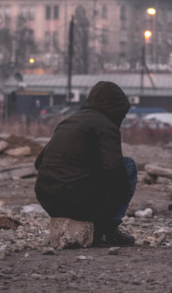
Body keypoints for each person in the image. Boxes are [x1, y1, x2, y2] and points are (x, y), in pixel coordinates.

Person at [34, 81, 137, 246]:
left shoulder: (70, 120)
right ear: (116, 110)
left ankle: (96, 223)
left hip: (48, 199)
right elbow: (114, 168)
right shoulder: (106, 125)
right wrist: (119, 197)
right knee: (129, 166)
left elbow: (39, 163)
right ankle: (108, 230)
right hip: (76, 201)